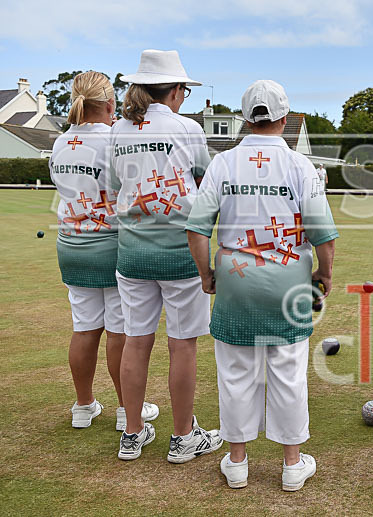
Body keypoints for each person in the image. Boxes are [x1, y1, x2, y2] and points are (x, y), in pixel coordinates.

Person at [186, 80, 338, 491]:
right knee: (288, 372)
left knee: (235, 373)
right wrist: (324, 275)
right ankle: (292, 465)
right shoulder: (300, 166)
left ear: (245, 119)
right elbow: (323, 234)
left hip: (235, 282)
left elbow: (197, 230)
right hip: (288, 283)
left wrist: (206, 275)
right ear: (285, 120)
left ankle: (236, 463)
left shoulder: (223, 164)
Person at [111, 49, 221, 462]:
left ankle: (133, 433)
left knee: (136, 342)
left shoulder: (118, 130)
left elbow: (114, 183)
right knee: (183, 345)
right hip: (180, 252)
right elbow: (204, 182)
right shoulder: (188, 129)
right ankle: (182, 438)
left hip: (132, 252)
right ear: (176, 90)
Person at [50, 71, 159, 430]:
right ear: (110, 104)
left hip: (71, 243)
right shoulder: (113, 139)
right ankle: (128, 411)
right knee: (118, 333)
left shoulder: (60, 142)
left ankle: (83, 406)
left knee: (84, 329)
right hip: (110, 244)